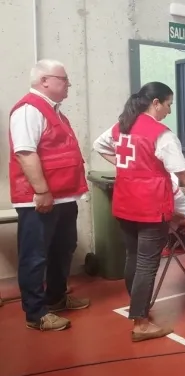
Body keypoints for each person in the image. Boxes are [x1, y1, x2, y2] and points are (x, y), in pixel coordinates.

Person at [93, 81, 185, 342]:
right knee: (147, 263)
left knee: (133, 256)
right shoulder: (161, 134)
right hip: (150, 205)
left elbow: (99, 145)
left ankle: (138, 305)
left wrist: (127, 166)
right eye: (169, 104)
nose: (169, 110)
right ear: (156, 103)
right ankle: (141, 322)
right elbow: (183, 172)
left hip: (125, 203)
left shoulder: (123, 125)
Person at [9, 59, 90, 332]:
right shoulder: (29, 110)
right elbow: (25, 153)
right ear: (44, 81)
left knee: (63, 249)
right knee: (35, 256)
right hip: (39, 199)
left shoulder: (55, 112)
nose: (68, 84)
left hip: (64, 197)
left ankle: (56, 298)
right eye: (63, 79)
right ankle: (36, 313)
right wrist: (42, 191)